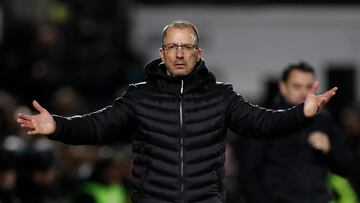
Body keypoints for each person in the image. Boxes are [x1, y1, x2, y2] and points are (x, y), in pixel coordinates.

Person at [17, 20, 338, 203]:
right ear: (162, 53)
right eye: (172, 47)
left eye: (186, 47)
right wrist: (57, 126)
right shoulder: (138, 97)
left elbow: (264, 123)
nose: (179, 53)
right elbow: (97, 126)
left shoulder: (221, 96)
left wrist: (301, 113)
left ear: (198, 54)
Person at [236, 62, 352, 203]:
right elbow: (248, 176)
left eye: (309, 87)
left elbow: (345, 168)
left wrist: (330, 149)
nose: (304, 92)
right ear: (283, 87)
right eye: (297, 86)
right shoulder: (267, 120)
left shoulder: (324, 121)